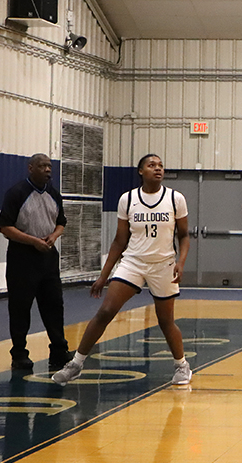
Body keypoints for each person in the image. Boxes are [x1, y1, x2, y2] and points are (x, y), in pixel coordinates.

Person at [52, 154, 192, 386]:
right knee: (106, 311)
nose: (157, 169)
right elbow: (119, 240)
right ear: (140, 171)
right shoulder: (127, 199)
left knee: (165, 320)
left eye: (160, 166)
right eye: (151, 165)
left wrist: (181, 261)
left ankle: (182, 366)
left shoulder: (175, 198)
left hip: (163, 264)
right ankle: (75, 364)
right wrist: (103, 276)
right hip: (133, 262)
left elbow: (185, 235)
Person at [0, 153, 72, 372]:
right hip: (22, 257)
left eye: (49, 166)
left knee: (54, 305)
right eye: (42, 166)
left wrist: (53, 236)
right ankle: (19, 353)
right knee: (20, 307)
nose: (47, 170)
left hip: (48, 256)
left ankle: (59, 349)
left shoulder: (54, 194)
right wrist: (32, 241)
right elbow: (5, 227)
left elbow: (61, 223)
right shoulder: (17, 193)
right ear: (31, 168)